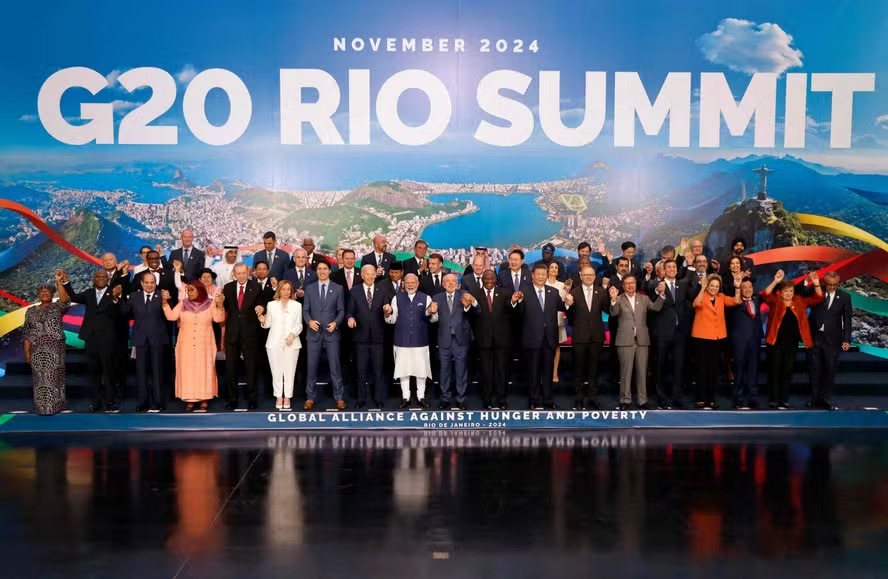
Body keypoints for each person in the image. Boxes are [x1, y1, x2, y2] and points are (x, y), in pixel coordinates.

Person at [61, 269, 123, 412]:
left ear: (108, 279)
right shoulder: (88, 293)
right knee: (94, 372)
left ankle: (110, 402)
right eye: (98, 277)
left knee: (108, 372)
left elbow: (120, 313)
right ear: (93, 279)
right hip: (91, 339)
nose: (101, 278)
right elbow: (74, 297)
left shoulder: (114, 293)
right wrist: (65, 281)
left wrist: (115, 298)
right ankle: (96, 402)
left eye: (103, 276)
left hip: (108, 340)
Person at [760, 270, 823, 410]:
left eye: (790, 291)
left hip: (791, 343)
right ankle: (774, 400)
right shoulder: (775, 301)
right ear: (780, 292)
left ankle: (784, 400)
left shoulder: (799, 301)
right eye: (785, 291)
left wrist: (817, 284)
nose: (788, 293)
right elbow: (765, 295)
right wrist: (776, 281)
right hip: (775, 342)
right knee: (775, 370)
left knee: (787, 371)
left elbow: (818, 298)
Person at [162, 282, 226, 412]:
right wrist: (164, 303)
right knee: (188, 370)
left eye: (191, 290)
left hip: (205, 344)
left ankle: (204, 399)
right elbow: (171, 316)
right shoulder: (183, 304)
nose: (189, 292)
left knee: (204, 370)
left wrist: (220, 305)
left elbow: (219, 319)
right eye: (187, 290)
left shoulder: (210, 304)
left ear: (200, 290)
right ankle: (190, 399)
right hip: (186, 345)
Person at [608, 275, 665, 410]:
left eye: (632, 283)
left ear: (636, 284)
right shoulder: (619, 299)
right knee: (625, 372)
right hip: (625, 340)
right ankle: (625, 400)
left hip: (642, 340)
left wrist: (662, 295)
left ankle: (642, 400)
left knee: (642, 371)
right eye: (627, 283)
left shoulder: (644, 298)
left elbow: (656, 308)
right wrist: (613, 299)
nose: (630, 285)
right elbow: (614, 313)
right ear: (623, 286)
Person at [514, 263, 566, 409]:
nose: (541, 277)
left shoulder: (553, 292)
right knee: (533, 372)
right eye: (538, 274)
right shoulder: (524, 292)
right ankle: (534, 399)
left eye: (544, 274)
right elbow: (518, 314)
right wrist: (515, 302)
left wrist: (568, 303)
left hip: (549, 339)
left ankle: (548, 399)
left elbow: (562, 307)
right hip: (532, 339)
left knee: (548, 372)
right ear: (533, 276)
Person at [120, 272, 170, 412]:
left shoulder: (162, 295)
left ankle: (159, 401)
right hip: (140, 339)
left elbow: (169, 315)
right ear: (142, 283)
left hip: (158, 339)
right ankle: (142, 402)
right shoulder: (134, 296)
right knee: (141, 372)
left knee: (157, 371)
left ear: (156, 283)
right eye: (146, 282)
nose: (149, 285)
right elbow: (124, 312)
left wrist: (167, 301)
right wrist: (117, 298)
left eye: (152, 282)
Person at [691, 274, 741, 409]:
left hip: (717, 338)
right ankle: (701, 399)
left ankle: (711, 399)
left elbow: (737, 301)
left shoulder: (721, 297)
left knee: (713, 370)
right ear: (708, 286)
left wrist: (737, 287)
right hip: (701, 337)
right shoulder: (703, 296)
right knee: (702, 370)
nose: (714, 288)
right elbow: (696, 304)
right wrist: (702, 288)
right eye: (712, 285)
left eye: (716, 286)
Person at [23, 272, 70, 415]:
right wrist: (27, 352)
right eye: (41, 292)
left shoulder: (57, 307)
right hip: (36, 349)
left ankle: (56, 406)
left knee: (55, 378)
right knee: (39, 379)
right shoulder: (30, 311)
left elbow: (65, 301)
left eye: (47, 291)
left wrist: (59, 282)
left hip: (55, 348)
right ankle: (41, 407)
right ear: (38, 294)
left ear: (51, 294)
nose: (44, 293)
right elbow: (27, 332)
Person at [221, 263, 267, 410]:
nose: (241, 275)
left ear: (248, 273)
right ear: (234, 274)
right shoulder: (227, 288)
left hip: (250, 334)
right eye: (238, 273)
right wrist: (219, 304)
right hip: (232, 333)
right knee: (230, 369)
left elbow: (261, 303)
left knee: (251, 368)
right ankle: (232, 399)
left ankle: (252, 399)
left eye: (243, 273)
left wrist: (262, 307)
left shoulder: (256, 286)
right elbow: (225, 309)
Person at [384, 273, 434, 408]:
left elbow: (433, 319)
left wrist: (432, 312)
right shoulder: (396, 298)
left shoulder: (426, 298)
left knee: (421, 370)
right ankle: (405, 397)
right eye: (408, 283)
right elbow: (391, 320)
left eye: (413, 282)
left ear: (417, 284)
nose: (410, 285)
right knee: (403, 370)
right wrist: (387, 313)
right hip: (401, 341)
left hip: (420, 340)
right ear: (404, 284)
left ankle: (421, 396)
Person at [469, 270, 517, 409]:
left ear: (496, 279)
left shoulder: (505, 293)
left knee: (502, 372)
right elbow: (471, 316)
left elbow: (513, 312)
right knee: (486, 372)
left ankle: (502, 399)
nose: (489, 281)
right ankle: (487, 399)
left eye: (492, 278)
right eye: (486, 278)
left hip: (502, 340)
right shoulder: (474, 293)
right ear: (482, 280)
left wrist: (514, 302)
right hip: (483, 340)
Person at [302, 261, 346, 410]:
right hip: (313, 333)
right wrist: (309, 321)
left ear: (329, 271)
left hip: (332, 332)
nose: (322, 271)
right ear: (316, 271)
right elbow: (305, 310)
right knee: (312, 367)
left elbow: (341, 310)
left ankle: (339, 397)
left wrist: (336, 323)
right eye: (319, 269)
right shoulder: (309, 288)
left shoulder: (338, 288)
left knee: (335, 367)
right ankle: (310, 397)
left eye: (324, 269)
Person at [650, 260, 694, 409]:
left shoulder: (682, 284)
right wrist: (658, 291)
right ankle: (661, 398)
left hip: (680, 332)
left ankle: (677, 398)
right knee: (660, 366)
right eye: (669, 267)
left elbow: (693, 297)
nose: (672, 269)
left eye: (674, 267)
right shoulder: (655, 284)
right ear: (663, 270)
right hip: (662, 332)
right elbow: (651, 298)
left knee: (678, 366)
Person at [564, 266, 608, 410]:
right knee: (579, 368)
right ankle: (579, 397)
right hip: (579, 336)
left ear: (595, 277)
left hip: (596, 336)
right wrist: (568, 305)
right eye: (585, 274)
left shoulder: (601, 292)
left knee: (594, 368)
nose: (588, 277)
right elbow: (570, 318)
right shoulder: (574, 293)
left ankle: (593, 397)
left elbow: (608, 310)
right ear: (580, 276)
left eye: (591, 274)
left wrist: (612, 298)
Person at [807, 271, 852, 410]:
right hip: (815, 338)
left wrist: (846, 339)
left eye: (835, 285)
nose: (832, 287)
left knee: (830, 369)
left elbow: (847, 319)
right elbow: (802, 293)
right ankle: (814, 399)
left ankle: (825, 399)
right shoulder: (816, 292)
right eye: (829, 284)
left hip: (833, 340)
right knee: (814, 369)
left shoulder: (844, 297)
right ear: (824, 283)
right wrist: (811, 282)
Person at [347, 265, 390, 408]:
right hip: (360, 338)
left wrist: (388, 310)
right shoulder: (354, 291)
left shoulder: (382, 290)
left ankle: (378, 399)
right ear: (362, 275)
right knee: (361, 371)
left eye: (373, 274)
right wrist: (350, 318)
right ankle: (361, 399)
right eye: (368, 274)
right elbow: (349, 312)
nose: (371, 276)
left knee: (378, 371)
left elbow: (387, 310)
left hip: (378, 338)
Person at [429, 273, 475, 410]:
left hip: (461, 340)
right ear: (443, 284)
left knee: (461, 371)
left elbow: (477, 311)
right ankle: (445, 398)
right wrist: (433, 312)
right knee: (444, 371)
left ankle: (461, 399)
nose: (450, 283)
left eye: (453, 281)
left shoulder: (465, 294)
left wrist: (468, 305)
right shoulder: (436, 298)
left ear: (458, 283)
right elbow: (433, 320)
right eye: (447, 281)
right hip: (444, 340)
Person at [257, 280, 303, 411]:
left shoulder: (297, 305)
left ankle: (287, 396)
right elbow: (268, 325)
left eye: (288, 289)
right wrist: (263, 321)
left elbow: (299, 324)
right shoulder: (271, 305)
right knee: (276, 371)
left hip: (292, 343)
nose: (286, 292)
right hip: (274, 343)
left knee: (290, 371)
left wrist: (292, 334)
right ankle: (278, 396)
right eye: (283, 289)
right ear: (279, 290)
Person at [728, 278, 764, 410]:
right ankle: (738, 399)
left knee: (753, 370)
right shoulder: (736, 302)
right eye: (745, 287)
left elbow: (768, 293)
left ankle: (752, 398)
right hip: (739, 342)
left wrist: (776, 280)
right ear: (740, 289)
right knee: (739, 370)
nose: (748, 290)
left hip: (754, 340)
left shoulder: (757, 300)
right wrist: (737, 287)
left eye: (750, 287)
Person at [330, 249, 360, 395]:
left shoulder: (362, 274)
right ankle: (340, 386)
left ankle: (355, 386)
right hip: (340, 323)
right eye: (346, 258)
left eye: (352, 258)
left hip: (358, 323)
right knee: (341, 355)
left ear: (355, 259)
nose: (349, 261)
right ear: (341, 259)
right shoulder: (334, 276)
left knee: (357, 356)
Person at [545, 261, 570, 383]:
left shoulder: (562, 285)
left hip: (557, 320)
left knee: (556, 347)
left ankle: (555, 373)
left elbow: (566, 303)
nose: (554, 269)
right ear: (548, 269)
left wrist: (568, 291)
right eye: (552, 267)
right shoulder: (542, 282)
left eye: (556, 268)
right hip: (543, 320)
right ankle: (544, 373)